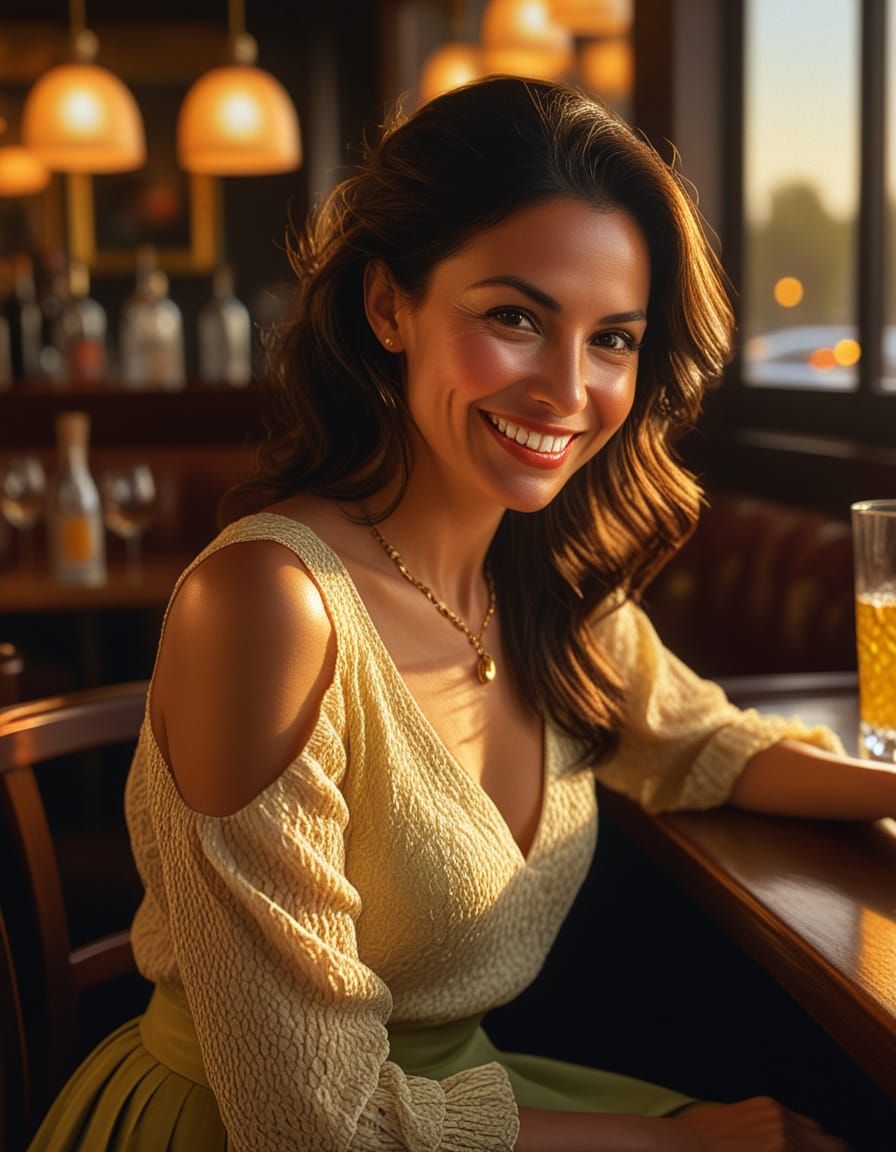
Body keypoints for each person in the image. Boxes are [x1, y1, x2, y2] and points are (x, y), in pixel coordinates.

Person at [30, 77, 894, 1152]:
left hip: (466, 1106)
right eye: (515, 318)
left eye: (612, 339)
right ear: (387, 305)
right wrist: (682, 1144)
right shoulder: (268, 606)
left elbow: (699, 745)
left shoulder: (549, 584)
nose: (568, 392)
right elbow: (308, 1121)